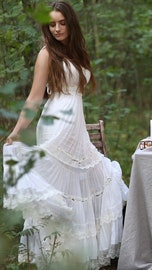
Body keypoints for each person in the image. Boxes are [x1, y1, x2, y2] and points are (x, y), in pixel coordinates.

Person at [3, 1, 128, 269]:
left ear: (71, 23)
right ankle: (56, 255)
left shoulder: (78, 52)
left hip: (76, 127)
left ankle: (79, 255)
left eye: (62, 23)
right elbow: (35, 98)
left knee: (94, 177)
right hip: (56, 124)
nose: (57, 28)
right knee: (60, 189)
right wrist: (15, 132)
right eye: (52, 24)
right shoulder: (46, 54)